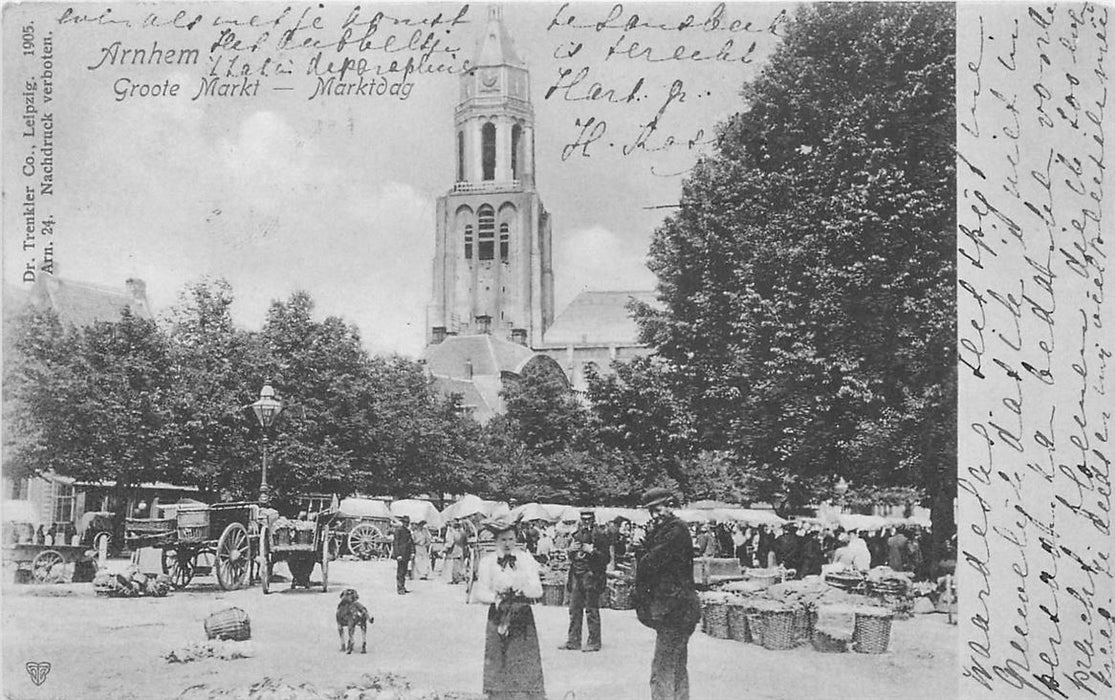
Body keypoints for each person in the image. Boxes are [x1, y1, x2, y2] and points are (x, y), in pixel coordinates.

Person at [635, 488, 701, 700]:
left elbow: (649, 563)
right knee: (677, 666)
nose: (654, 515)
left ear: (670, 506)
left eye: (658, 510)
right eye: (651, 512)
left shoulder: (675, 531)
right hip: (681, 608)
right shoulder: (669, 529)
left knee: (662, 669)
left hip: (675, 609)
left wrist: (640, 550)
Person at [471, 520, 546, 700]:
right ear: (496, 540)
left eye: (511, 539)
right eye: (503, 539)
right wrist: (496, 598)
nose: (507, 544)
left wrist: (523, 590)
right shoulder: (487, 562)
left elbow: (538, 590)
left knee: (521, 658)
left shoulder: (525, 559)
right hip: (498, 615)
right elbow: (480, 591)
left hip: (521, 615)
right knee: (498, 659)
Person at [560, 510, 610, 652]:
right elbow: (572, 557)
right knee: (574, 609)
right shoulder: (577, 534)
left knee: (591, 610)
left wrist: (592, 551)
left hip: (592, 576)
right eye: (583, 519)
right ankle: (573, 641)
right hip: (577, 575)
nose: (586, 522)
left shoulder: (600, 536)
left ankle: (594, 642)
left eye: (588, 519)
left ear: (593, 520)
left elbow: (606, 559)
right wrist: (570, 550)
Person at [392, 515, 415, 594]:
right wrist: (398, 554)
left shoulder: (408, 531)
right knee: (400, 572)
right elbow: (395, 543)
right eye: (405, 522)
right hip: (401, 554)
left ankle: (403, 587)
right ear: (402, 523)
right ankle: (400, 588)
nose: (406, 524)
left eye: (407, 523)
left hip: (406, 554)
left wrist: (412, 552)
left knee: (404, 571)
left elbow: (411, 542)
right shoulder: (398, 530)